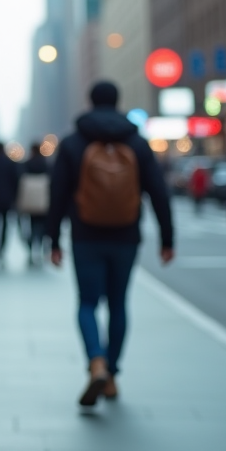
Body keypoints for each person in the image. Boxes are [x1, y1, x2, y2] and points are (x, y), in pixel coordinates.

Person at [46, 81, 174, 408]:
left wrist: (53, 239)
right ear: (118, 102)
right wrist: (167, 237)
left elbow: (58, 193)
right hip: (126, 235)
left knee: (87, 303)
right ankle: (113, 375)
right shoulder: (137, 142)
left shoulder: (74, 143)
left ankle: (96, 362)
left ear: (90, 101)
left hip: (85, 235)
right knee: (118, 304)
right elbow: (158, 191)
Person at [17, 142, 51, 266]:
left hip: (30, 200)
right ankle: (41, 248)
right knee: (42, 226)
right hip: (43, 200)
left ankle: (31, 250)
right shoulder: (46, 163)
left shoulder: (27, 164)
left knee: (31, 226)